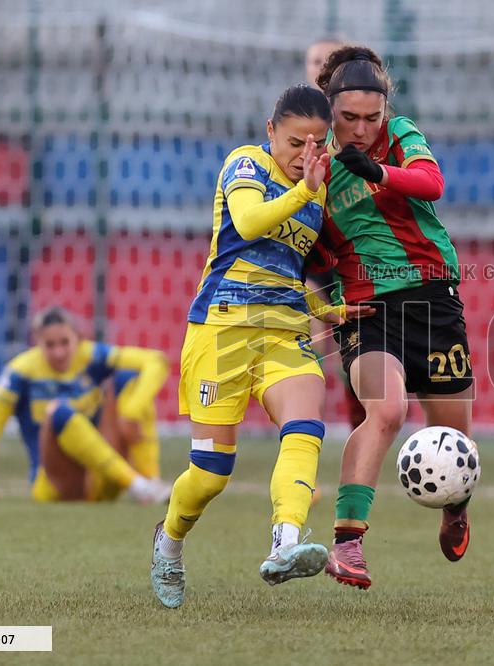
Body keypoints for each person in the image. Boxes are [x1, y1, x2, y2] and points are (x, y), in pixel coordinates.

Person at [149, 85, 373, 608]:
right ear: (270, 131)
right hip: (221, 328)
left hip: (285, 329)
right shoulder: (245, 164)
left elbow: (286, 270)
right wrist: (303, 192)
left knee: (306, 422)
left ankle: (287, 542)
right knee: (209, 474)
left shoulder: (315, 188)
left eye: (318, 144)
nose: (306, 154)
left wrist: (326, 310)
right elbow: (249, 225)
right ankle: (169, 539)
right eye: (295, 142)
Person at [314, 46, 474, 589]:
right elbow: (307, 248)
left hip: (434, 299)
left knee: (456, 439)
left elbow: (432, 184)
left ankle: (455, 504)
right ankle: (348, 544)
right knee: (386, 410)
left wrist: (378, 170)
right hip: (365, 305)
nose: (360, 129)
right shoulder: (312, 164)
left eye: (371, 118)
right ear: (329, 109)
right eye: (348, 118)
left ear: (385, 113)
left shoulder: (400, 135)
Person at [0, 306, 170, 503]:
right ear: (37, 343)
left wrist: (131, 412)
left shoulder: (91, 355)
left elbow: (157, 361)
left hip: (101, 480)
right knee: (59, 412)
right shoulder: (19, 373)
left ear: (77, 338)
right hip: (54, 487)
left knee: (129, 378)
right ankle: (138, 485)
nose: (59, 352)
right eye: (50, 345)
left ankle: (150, 480)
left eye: (65, 342)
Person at [304, 36, 368, 430]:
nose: (318, 67)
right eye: (312, 60)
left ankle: (361, 433)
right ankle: (303, 438)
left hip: (352, 256)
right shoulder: (297, 122)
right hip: (310, 254)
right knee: (310, 347)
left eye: (326, 60)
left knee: (357, 359)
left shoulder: (356, 122)